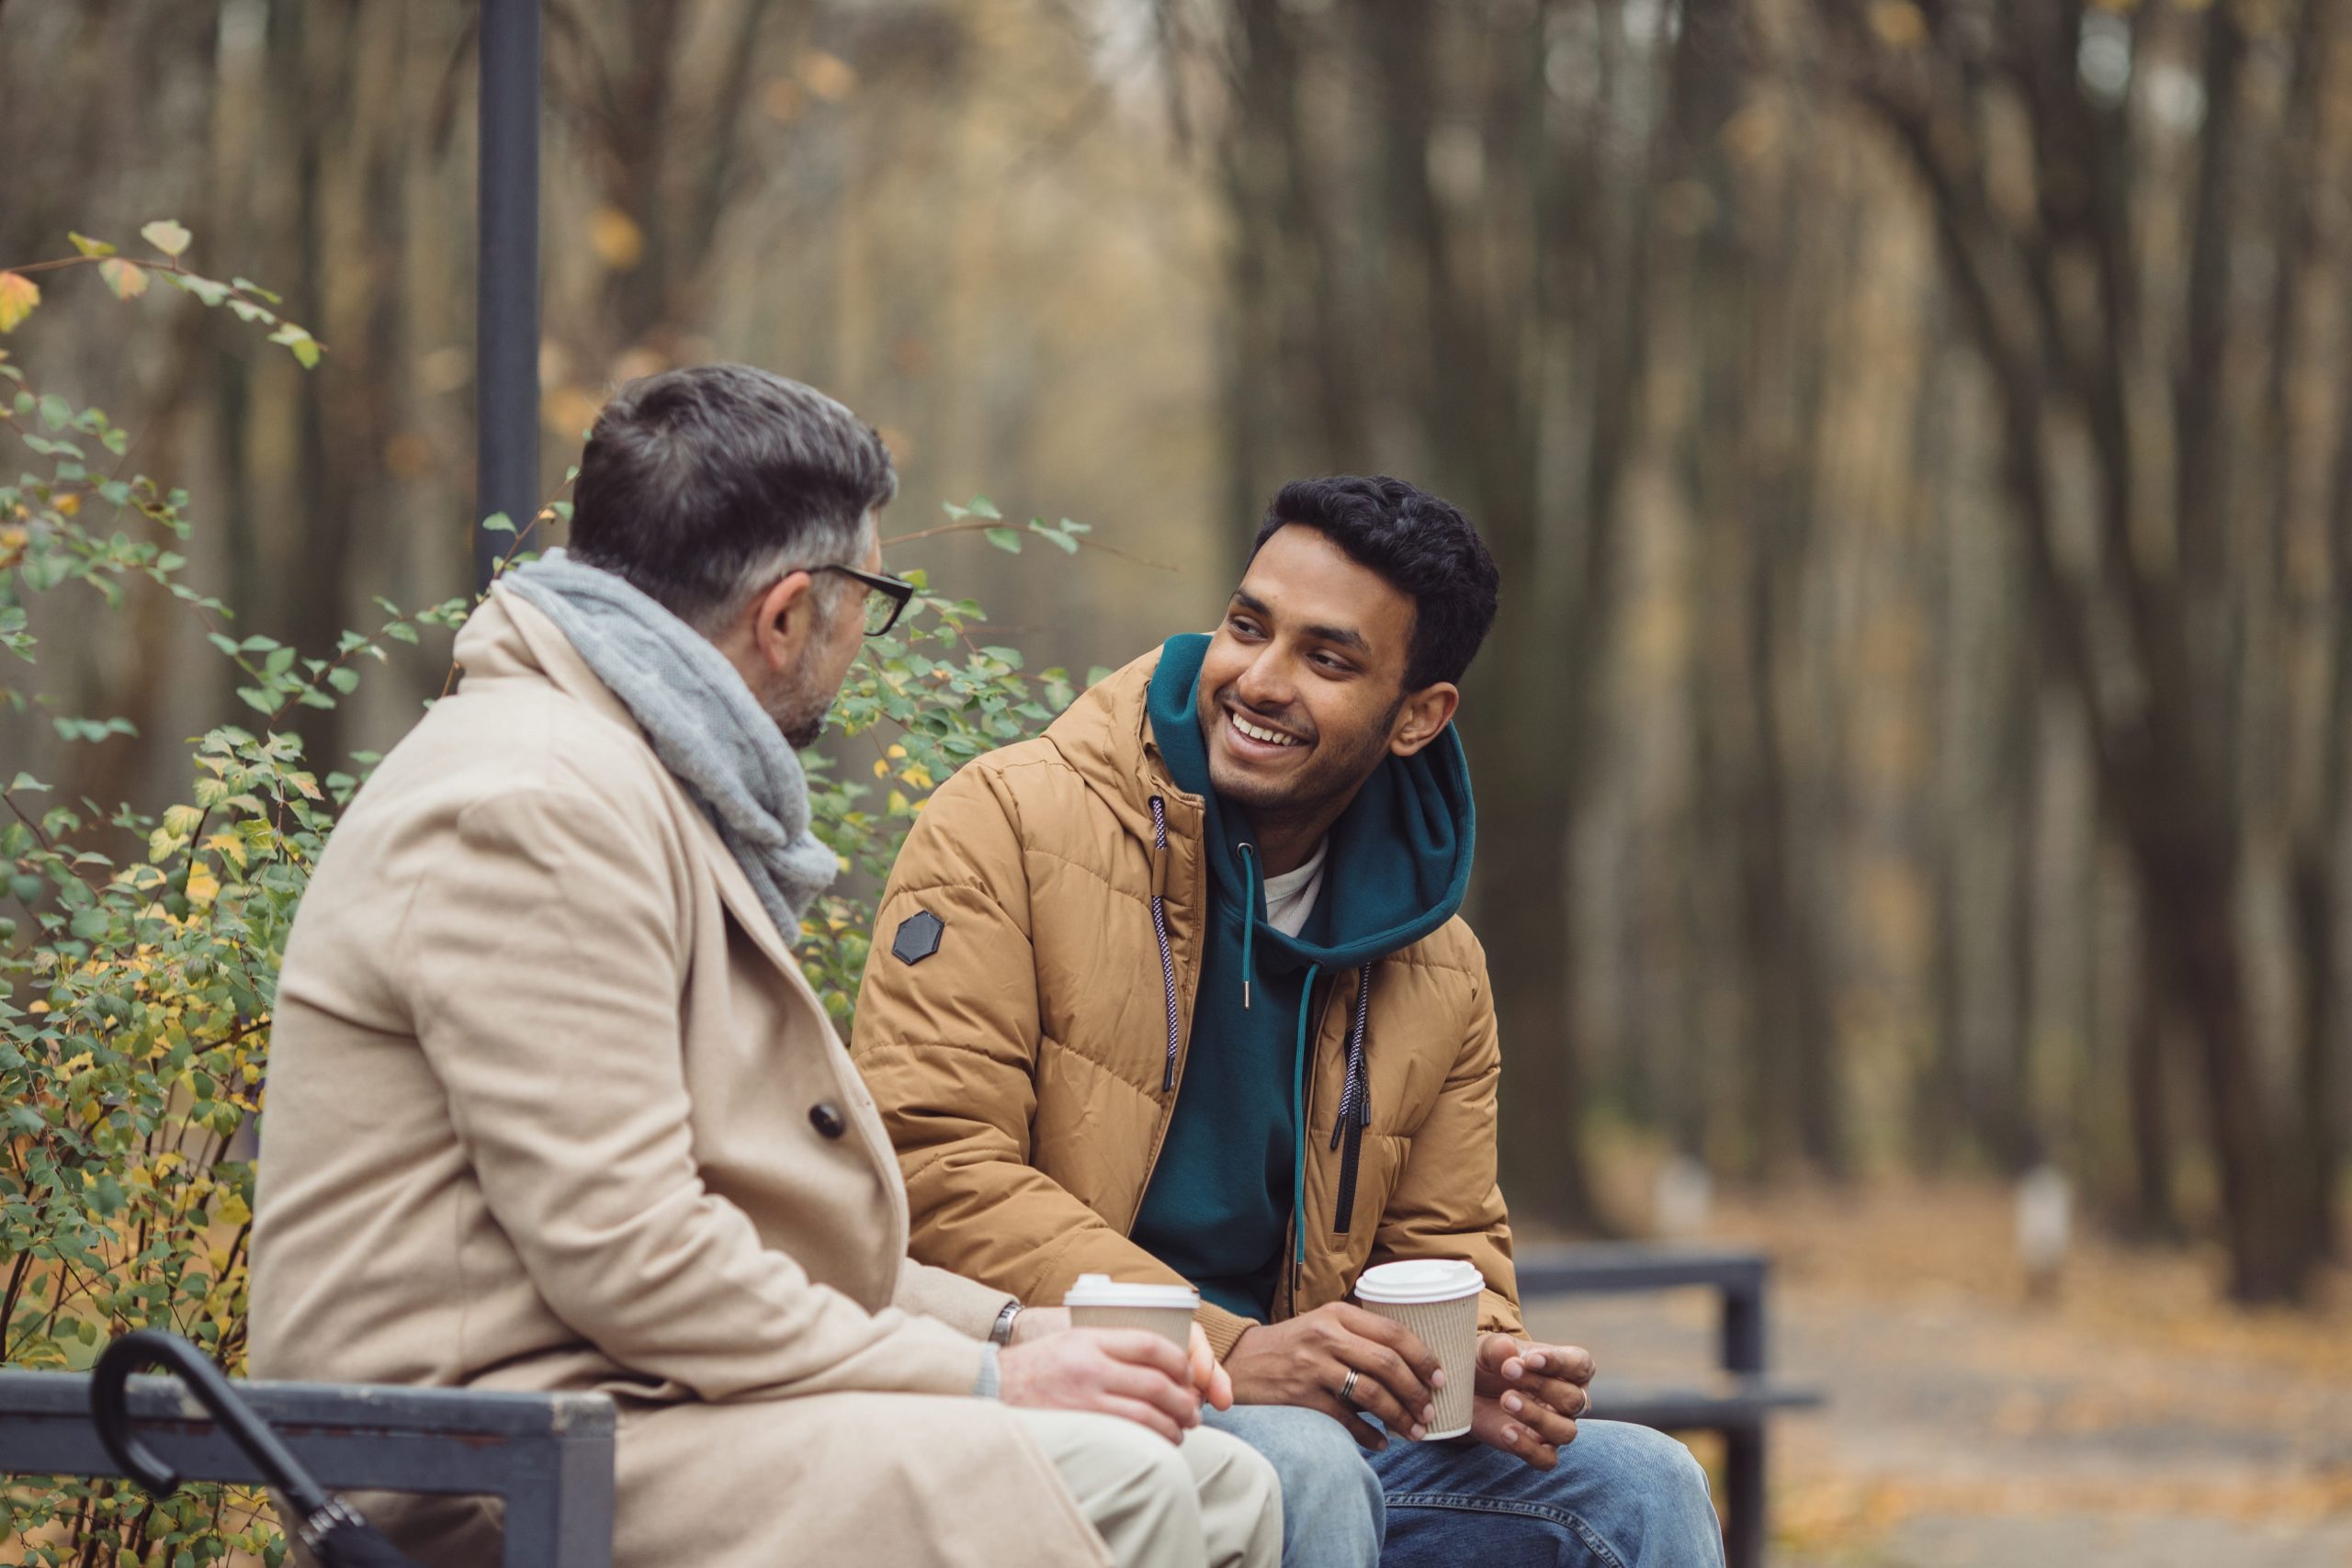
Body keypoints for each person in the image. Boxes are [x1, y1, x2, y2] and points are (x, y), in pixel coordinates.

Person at [248, 365, 1282, 1568]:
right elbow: (637, 1258)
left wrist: (1014, 1319)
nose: (859, 644)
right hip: (490, 1447)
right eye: (871, 600)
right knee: (1119, 1482)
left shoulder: (634, 777)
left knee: (1223, 1480)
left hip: (636, 1396)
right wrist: (995, 1371)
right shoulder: (535, 802)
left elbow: (740, 1234)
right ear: (789, 612)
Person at [851, 475, 1725, 1567]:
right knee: (1296, 1461)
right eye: (1247, 626)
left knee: (1640, 1487)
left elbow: (1441, 1238)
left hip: (1309, 1419)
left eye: (1327, 658)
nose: (1257, 682)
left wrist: (1477, 1368)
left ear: (1419, 715)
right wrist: (1233, 1349)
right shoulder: (1009, 825)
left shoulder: (1437, 959)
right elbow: (929, 1169)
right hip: (1064, 1391)